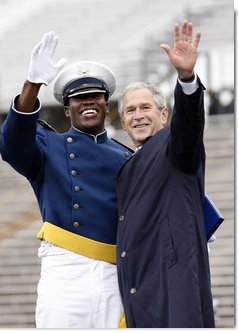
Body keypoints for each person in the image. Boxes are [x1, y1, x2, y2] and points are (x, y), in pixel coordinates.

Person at [0, 31, 133, 328]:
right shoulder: (49, 146)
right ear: (66, 108)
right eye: (78, 99)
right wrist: (32, 83)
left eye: (95, 97)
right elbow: (11, 145)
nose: (87, 103)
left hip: (115, 272)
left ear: (106, 104)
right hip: (66, 271)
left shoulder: (127, 157)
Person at [116, 20, 215, 328]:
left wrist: (186, 79)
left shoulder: (176, 147)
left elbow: (189, 123)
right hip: (140, 286)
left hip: (173, 287)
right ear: (123, 123)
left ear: (164, 114)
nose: (138, 116)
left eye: (146, 108)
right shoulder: (127, 164)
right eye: (130, 111)